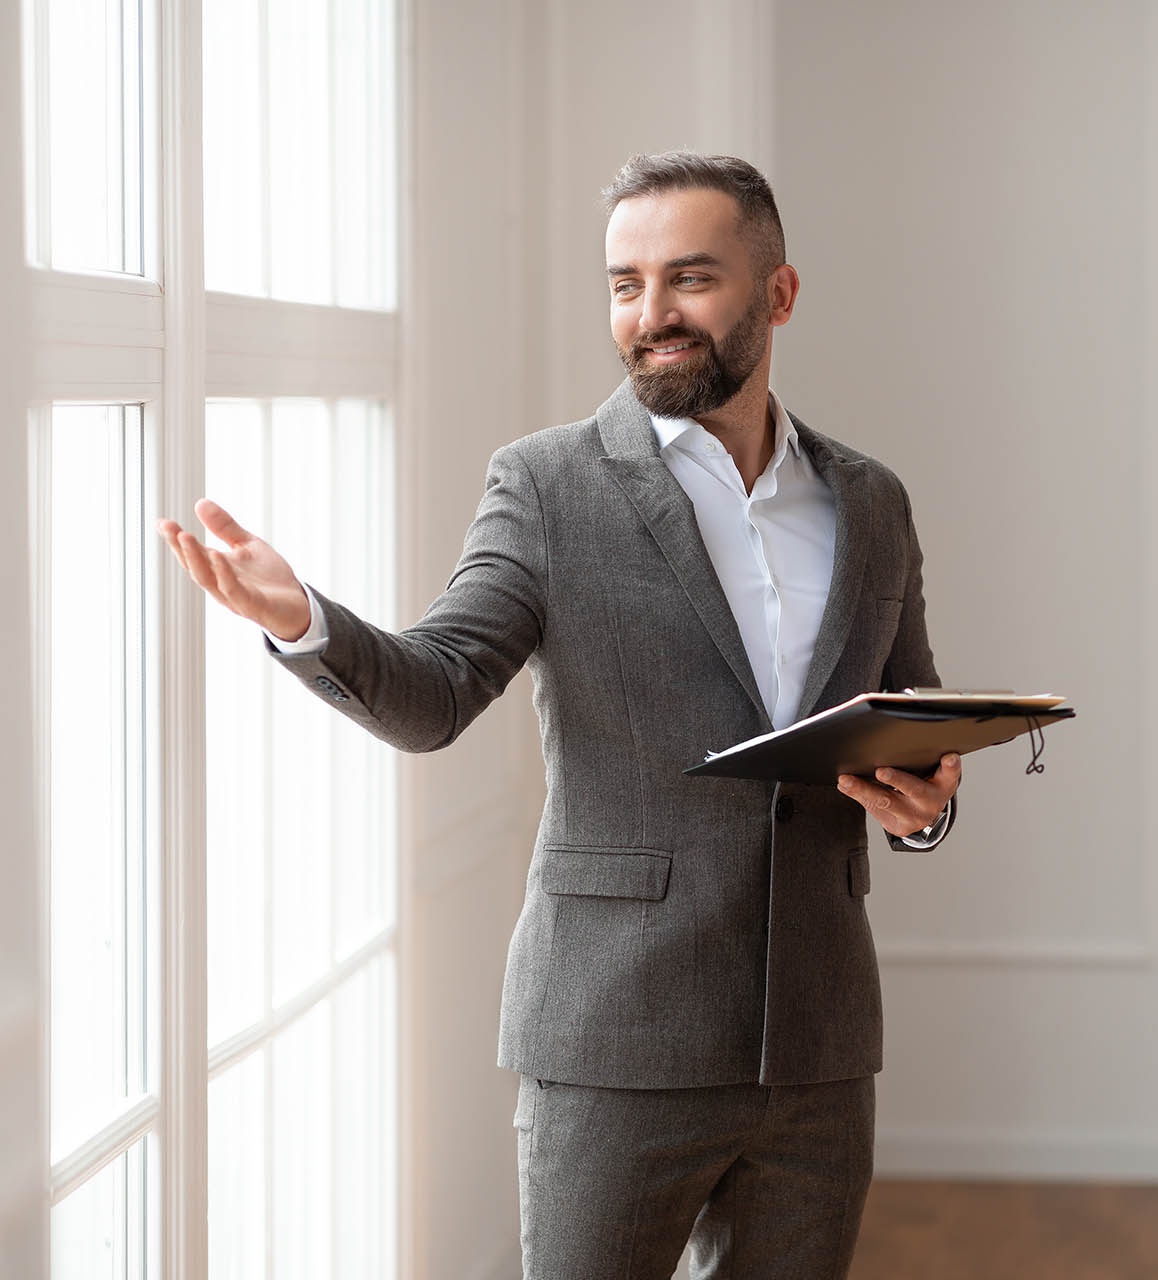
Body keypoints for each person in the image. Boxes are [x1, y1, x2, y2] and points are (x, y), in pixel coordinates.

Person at [158, 152, 961, 1279]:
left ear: (778, 294)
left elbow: (910, 710)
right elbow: (437, 689)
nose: (652, 314)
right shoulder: (546, 484)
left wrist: (923, 802)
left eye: (690, 278)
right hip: (613, 1035)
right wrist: (306, 622)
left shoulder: (870, 498)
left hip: (817, 1046)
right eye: (625, 284)